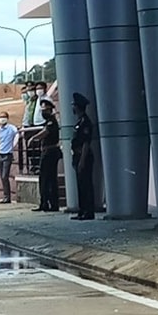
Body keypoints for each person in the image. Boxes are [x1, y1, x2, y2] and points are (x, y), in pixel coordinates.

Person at [69, 93, 100, 221]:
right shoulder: (79, 121)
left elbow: (86, 143)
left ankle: (88, 211)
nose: (73, 108)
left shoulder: (85, 122)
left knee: (86, 184)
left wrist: (82, 160)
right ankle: (82, 210)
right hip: (77, 155)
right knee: (80, 185)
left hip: (84, 156)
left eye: (74, 105)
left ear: (78, 107)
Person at [33, 99, 62, 212]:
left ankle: (51, 204)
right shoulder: (49, 121)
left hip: (50, 152)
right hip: (48, 152)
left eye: (44, 110)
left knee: (48, 179)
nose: (43, 112)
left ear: (50, 110)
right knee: (46, 179)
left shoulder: (52, 122)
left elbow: (45, 132)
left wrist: (33, 138)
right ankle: (45, 203)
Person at [0, 110, 19, 204]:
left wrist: (13, 145)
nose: (2, 119)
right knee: (2, 176)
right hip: (1, 154)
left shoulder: (11, 128)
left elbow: (17, 133)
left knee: (5, 175)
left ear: (7, 118)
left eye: (4, 117)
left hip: (8, 154)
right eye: (0, 117)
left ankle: (7, 197)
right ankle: (5, 196)